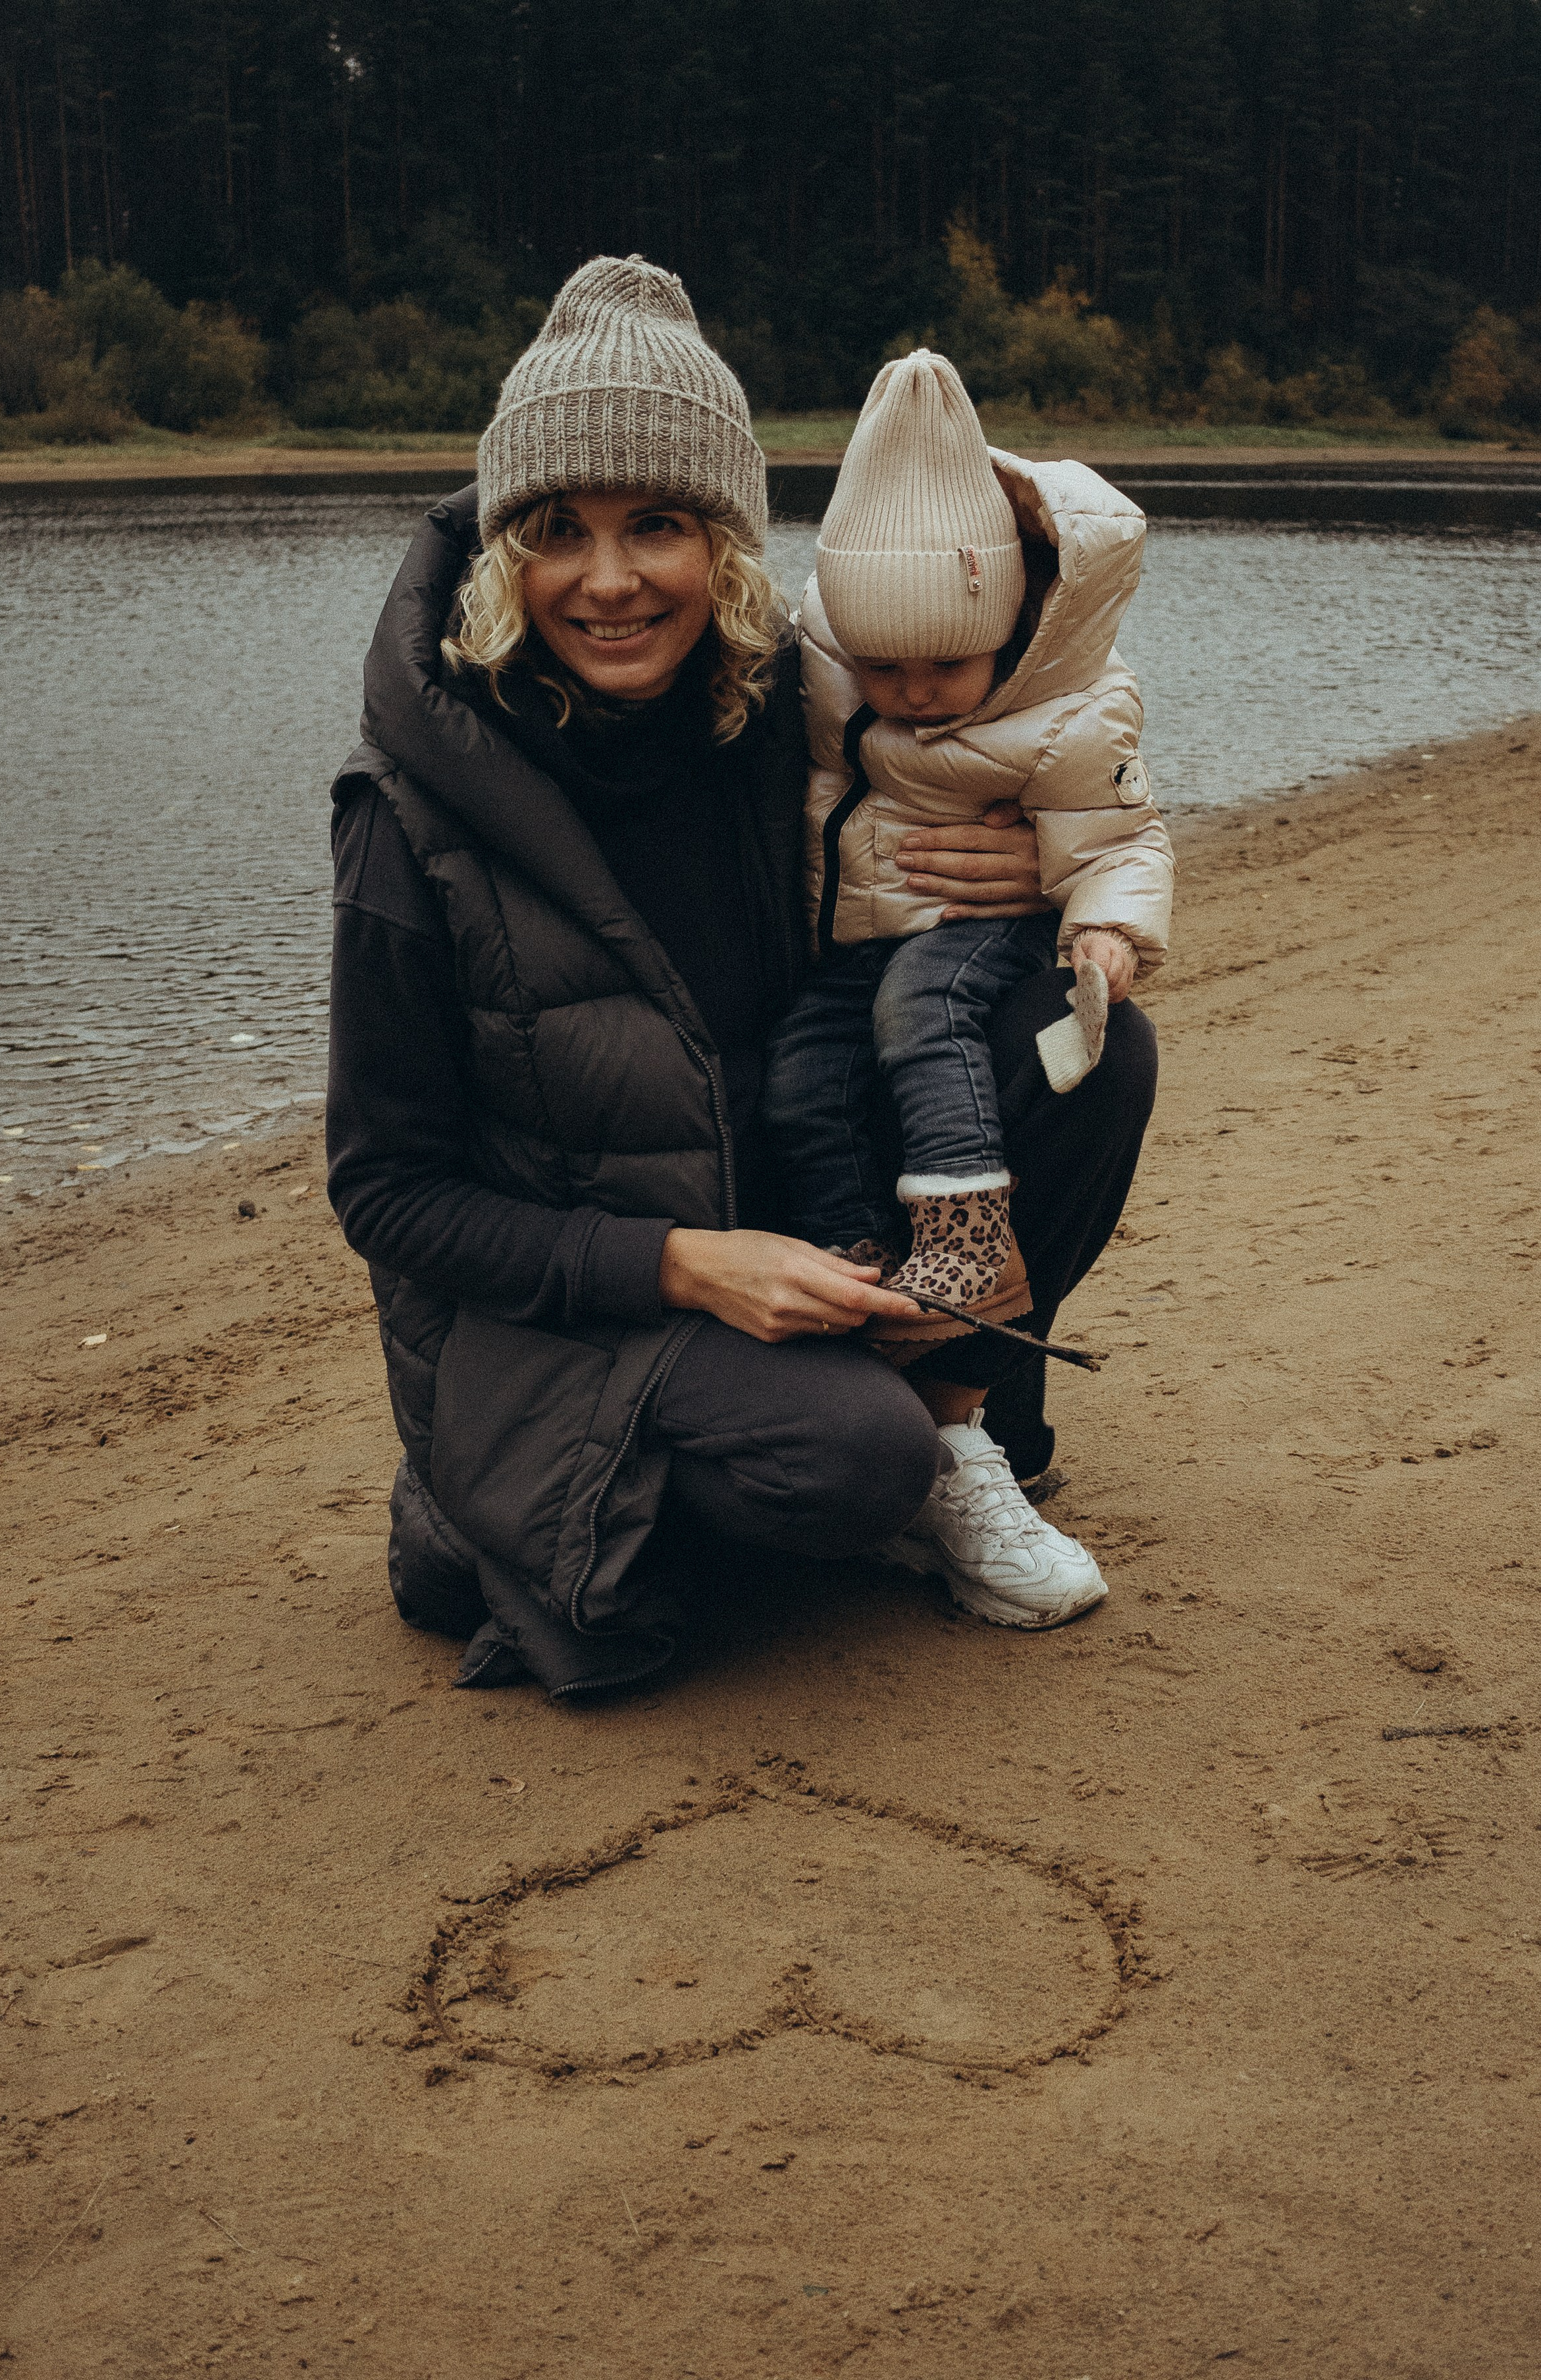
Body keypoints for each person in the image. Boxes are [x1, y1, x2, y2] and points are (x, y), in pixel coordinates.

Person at [326, 253, 1158, 1701]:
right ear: (501, 552)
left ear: (725, 545)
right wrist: (683, 1265)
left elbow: (1036, 656)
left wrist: (1038, 877)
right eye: (558, 528)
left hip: (780, 1217)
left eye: (658, 522)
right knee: (850, 1461)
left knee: (1085, 1047)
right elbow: (386, 1191)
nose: (608, 577)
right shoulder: (408, 816)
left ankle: (957, 1434)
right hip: (571, 1309)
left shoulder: (781, 713)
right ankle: (510, 1506)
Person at [760, 351, 1174, 1617]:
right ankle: (861, 1265)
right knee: (801, 1076)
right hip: (850, 942)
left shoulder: (1065, 712)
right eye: (886, 672)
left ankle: (962, 1237)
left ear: (1010, 628)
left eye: (945, 669)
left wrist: (1097, 930)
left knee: (948, 1019)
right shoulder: (822, 683)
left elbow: (1123, 838)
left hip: (965, 938)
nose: (914, 698)